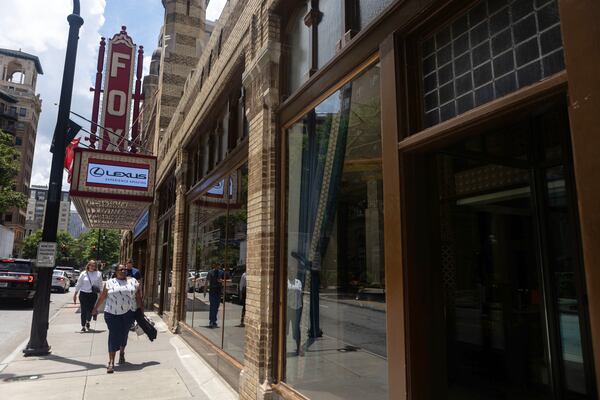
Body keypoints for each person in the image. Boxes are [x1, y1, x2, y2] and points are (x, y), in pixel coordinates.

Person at [92, 264, 142, 373]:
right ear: (116, 271)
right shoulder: (110, 283)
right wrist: (95, 308)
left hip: (128, 313)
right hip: (111, 313)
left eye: (125, 269)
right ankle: (111, 362)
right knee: (114, 334)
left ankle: (122, 353)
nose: (124, 271)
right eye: (121, 269)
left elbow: (138, 297)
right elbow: (103, 296)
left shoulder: (133, 281)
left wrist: (141, 311)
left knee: (124, 334)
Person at [73, 260, 103, 332]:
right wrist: (75, 294)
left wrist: (101, 294)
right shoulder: (83, 273)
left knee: (90, 310)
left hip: (93, 295)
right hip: (83, 294)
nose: (92, 267)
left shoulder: (98, 274)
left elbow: (100, 285)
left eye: (94, 265)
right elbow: (79, 284)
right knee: (83, 310)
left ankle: (88, 321)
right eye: (91, 265)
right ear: (88, 265)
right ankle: (83, 326)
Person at [287, 270, 304, 356]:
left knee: (296, 328)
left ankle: (299, 348)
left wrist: (301, 308)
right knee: (285, 329)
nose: (291, 274)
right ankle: (283, 348)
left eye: (292, 272)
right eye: (290, 272)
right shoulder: (286, 282)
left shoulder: (298, 282)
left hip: (297, 308)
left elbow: (301, 295)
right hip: (288, 308)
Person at [204, 263, 223, 328]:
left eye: (218, 265)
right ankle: (211, 321)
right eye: (216, 265)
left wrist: (222, 281)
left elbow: (229, 281)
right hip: (212, 292)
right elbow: (207, 281)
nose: (217, 266)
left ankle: (214, 321)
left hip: (218, 292)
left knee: (217, 307)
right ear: (214, 266)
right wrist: (205, 291)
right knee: (212, 306)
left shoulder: (221, 272)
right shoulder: (210, 272)